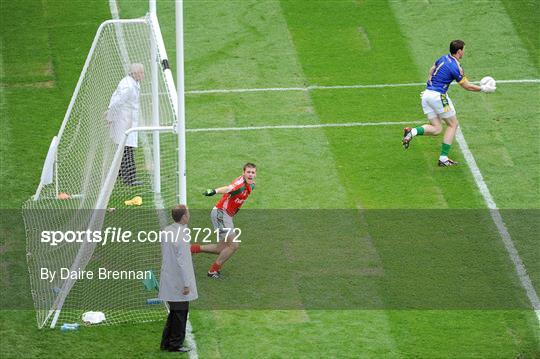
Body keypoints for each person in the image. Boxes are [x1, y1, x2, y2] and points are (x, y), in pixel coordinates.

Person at [402, 40, 496, 166]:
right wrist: (483, 89)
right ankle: (443, 158)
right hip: (438, 97)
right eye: (463, 50)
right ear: (459, 51)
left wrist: (429, 84)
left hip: (426, 95)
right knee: (453, 124)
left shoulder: (443, 58)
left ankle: (411, 132)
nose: (464, 52)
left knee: (436, 129)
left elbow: (432, 70)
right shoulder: (456, 67)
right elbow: (466, 86)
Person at [191, 163, 257, 279]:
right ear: (243, 173)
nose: (250, 174)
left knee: (221, 248)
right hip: (221, 214)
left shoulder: (251, 185)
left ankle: (191, 249)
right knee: (234, 245)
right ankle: (213, 271)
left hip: (227, 216)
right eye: (248, 172)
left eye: (253, 172)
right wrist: (214, 191)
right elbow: (228, 188)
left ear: (255, 174)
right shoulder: (239, 185)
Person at [159, 205, 198, 353]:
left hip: (169, 275)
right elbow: (182, 262)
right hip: (178, 280)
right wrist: (186, 284)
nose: (189, 215)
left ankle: (166, 342)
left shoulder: (167, 231)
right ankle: (175, 344)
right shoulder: (181, 236)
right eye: (188, 213)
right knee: (180, 313)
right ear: (184, 217)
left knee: (174, 313)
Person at [106, 63, 144, 185]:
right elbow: (116, 102)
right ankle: (130, 179)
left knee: (124, 149)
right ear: (135, 73)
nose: (143, 75)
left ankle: (121, 174)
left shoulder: (132, 83)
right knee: (127, 149)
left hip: (126, 120)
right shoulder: (128, 87)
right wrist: (110, 116)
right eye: (141, 73)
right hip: (123, 121)